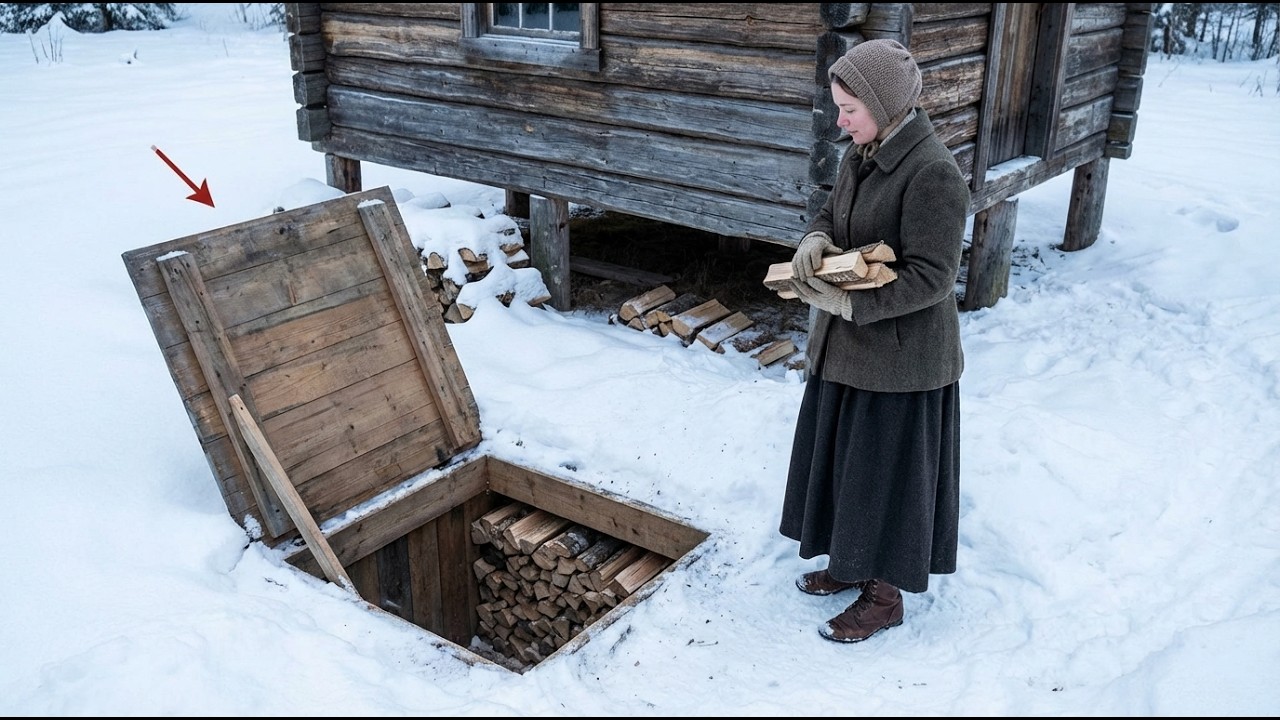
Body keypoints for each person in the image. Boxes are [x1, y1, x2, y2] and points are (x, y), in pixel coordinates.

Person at [779, 38, 970, 643]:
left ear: (885, 107)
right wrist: (814, 237)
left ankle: (884, 596)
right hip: (849, 348)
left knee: (885, 474)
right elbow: (833, 215)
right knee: (845, 461)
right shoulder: (861, 153)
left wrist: (848, 302)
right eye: (838, 108)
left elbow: (934, 278)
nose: (840, 120)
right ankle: (848, 562)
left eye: (850, 109)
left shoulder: (933, 173)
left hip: (902, 361)